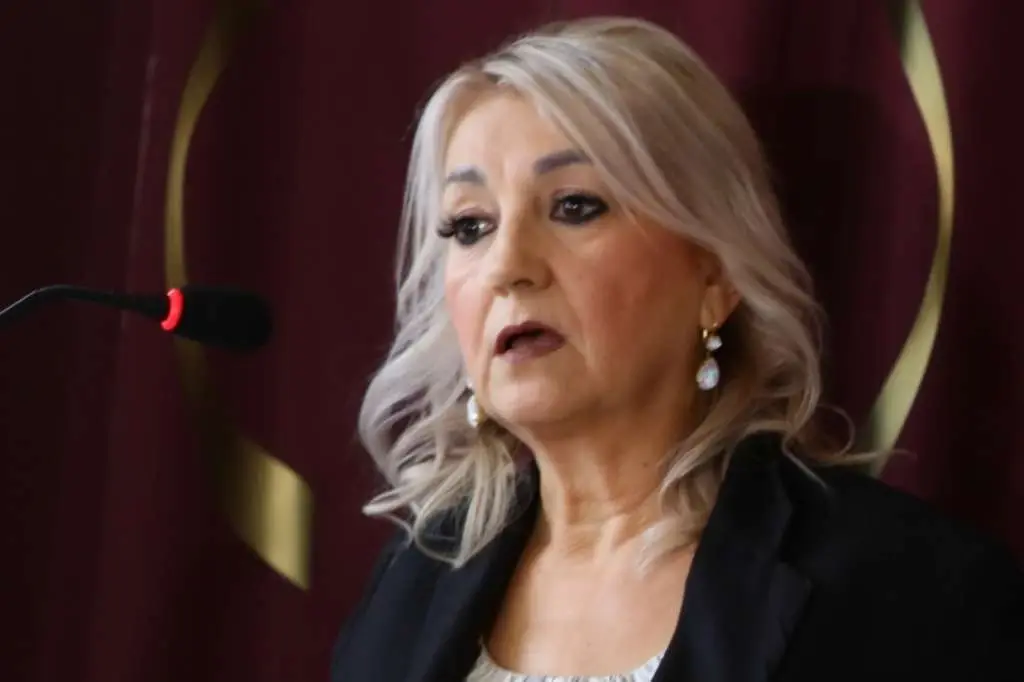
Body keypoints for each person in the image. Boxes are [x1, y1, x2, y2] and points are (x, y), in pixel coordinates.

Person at [330, 16, 1023, 682]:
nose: (507, 265)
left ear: (716, 276)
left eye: (574, 206)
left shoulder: (912, 593)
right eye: (470, 225)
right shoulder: (409, 584)